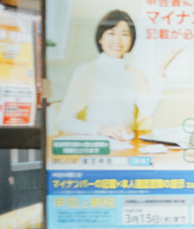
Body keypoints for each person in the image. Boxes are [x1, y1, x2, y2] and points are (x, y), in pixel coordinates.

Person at [57, 10, 181, 141]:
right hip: (97, 145)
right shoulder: (88, 71)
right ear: (100, 38)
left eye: (124, 34)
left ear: (131, 40)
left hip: (126, 143)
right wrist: (100, 129)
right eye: (111, 33)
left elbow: (148, 110)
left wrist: (162, 69)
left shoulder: (134, 74)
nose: (117, 40)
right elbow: (64, 122)